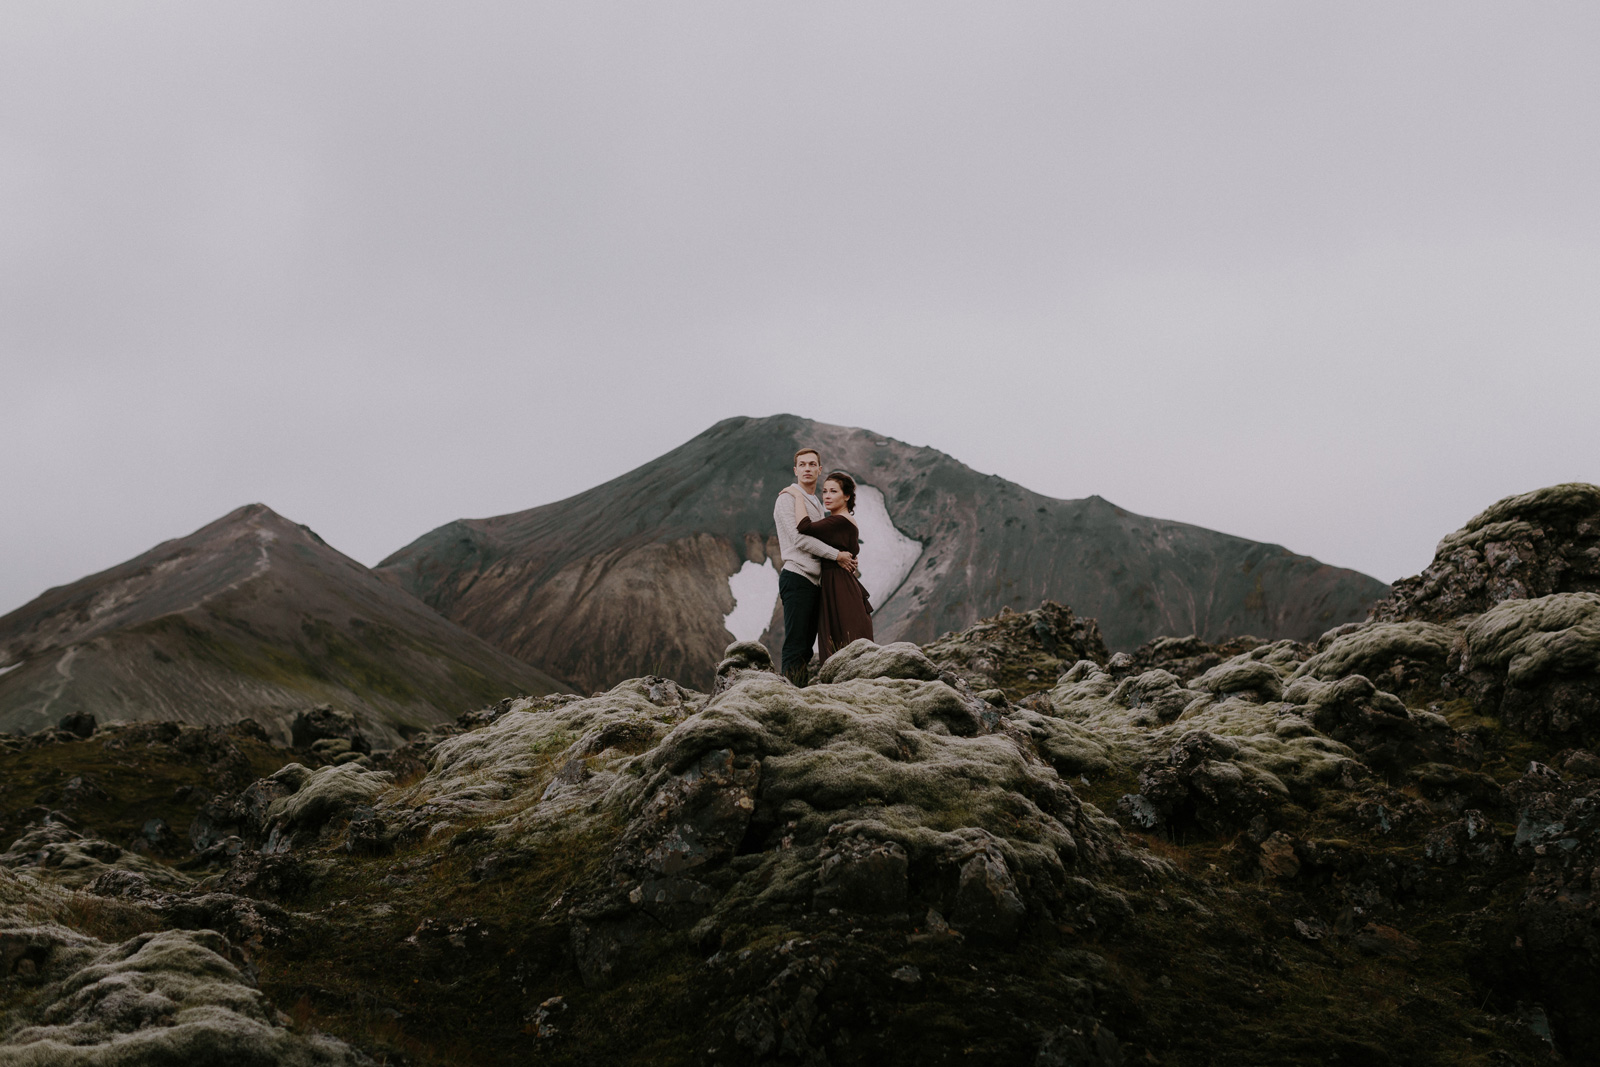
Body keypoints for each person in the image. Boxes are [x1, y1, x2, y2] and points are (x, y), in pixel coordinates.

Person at [774, 447, 856, 687]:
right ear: (795, 470)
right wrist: (837, 555)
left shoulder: (817, 503)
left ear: (819, 470)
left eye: (812, 464)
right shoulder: (786, 499)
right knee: (796, 644)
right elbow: (799, 538)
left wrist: (845, 554)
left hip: (813, 582)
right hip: (797, 577)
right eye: (802, 464)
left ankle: (797, 693)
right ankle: (789, 697)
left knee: (806, 648)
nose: (807, 469)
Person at [784, 469, 874, 661]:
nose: (827, 496)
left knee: (843, 639)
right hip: (837, 583)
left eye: (833, 491)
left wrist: (798, 495)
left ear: (847, 496)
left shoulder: (839, 521)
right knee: (840, 640)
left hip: (839, 586)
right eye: (824, 491)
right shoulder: (839, 521)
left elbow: (804, 527)